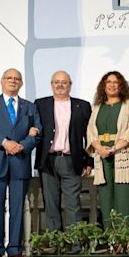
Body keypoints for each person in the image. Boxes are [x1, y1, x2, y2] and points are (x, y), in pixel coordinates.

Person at [0, 68, 41, 257]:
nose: (13, 81)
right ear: (2, 81)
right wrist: (5, 142)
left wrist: (22, 145)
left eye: (17, 79)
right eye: (9, 78)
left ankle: (15, 248)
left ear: (21, 84)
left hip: (20, 161)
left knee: (17, 208)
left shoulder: (30, 107)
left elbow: (37, 133)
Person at [34, 71, 92, 231]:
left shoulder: (83, 105)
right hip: (48, 161)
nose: (60, 85)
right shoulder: (40, 104)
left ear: (70, 85)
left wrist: (89, 161)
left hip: (71, 160)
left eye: (64, 82)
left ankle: (75, 245)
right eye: (56, 82)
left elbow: (89, 135)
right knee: (50, 204)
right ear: (51, 85)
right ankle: (56, 244)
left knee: (73, 204)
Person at [86, 71, 129, 231]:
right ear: (103, 85)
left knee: (125, 201)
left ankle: (126, 242)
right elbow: (90, 130)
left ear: (121, 85)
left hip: (123, 155)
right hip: (103, 157)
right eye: (108, 82)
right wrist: (99, 148)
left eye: (115, 82)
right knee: (106, 201)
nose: (112, 85)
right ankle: (111, 240)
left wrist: (115, 148)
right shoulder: (97, 105)